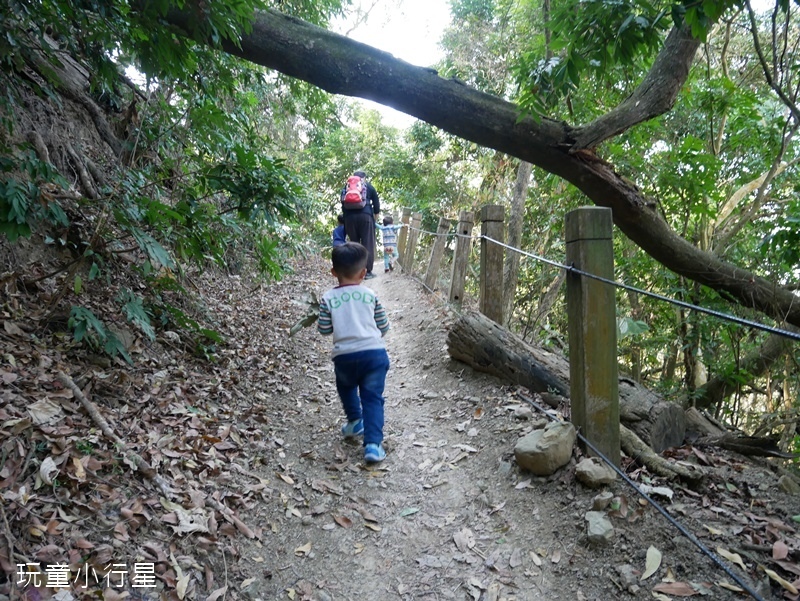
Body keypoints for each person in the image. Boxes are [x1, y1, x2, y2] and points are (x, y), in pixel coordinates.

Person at [317, 242, 390, 463]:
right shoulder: (370, 295)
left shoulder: (328, 298)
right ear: (363, 272)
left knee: (346, 387)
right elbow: (384, 327)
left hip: (344, 356)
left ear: (333, 272)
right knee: (372, 398)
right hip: (374, 355)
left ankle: (355, 420)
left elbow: (324, 330)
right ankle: (373, 445)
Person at [341, 170, 380, 279]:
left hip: (349, 218)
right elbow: (376, 205)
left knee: (354, 245)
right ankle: (367, 272)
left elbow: (342, 203)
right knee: (368, 243)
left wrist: (346, 219)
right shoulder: (368, 187)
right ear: (364, 178)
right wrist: (374, 219)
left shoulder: (346, 187)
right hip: (366, 217)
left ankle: (355, 272)